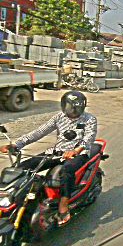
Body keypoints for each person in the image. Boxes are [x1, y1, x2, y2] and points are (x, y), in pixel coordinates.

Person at [0, 91, 97, 226]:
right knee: (23, 166)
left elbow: (89, 138)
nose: (74, 111)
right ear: (64, 105)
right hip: (56, 152)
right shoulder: (59, 117)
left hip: (79, 154)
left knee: (67, 170)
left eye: (77, 107)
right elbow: (39, 132)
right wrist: (16, 145)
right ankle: (11, 199)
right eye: (71, 107)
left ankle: (63, 204)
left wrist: (76, 150)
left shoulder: (90, 119)